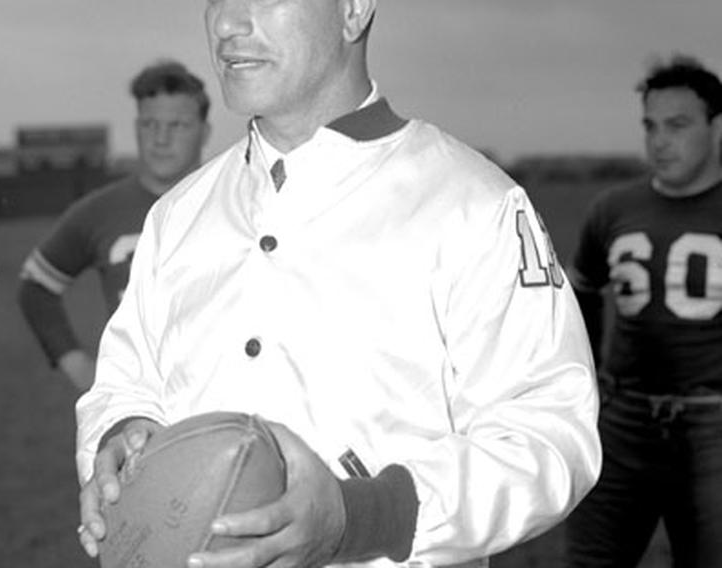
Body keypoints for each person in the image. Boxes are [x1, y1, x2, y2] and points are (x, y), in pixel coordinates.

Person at [76, 1, 601, 567]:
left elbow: (550, 434)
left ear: (353, 11)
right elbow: (125, 384)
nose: (227, 24)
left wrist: (362, 515)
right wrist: (120, 436)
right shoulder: (179, 213)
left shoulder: (475, 205)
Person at [565, 56, 722, 567]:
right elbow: (581, 291)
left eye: (677, 126)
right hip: (625, 422)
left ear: (715, 127)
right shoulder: (613, 209)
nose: (660, 141)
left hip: (713, 425)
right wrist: (589, 383)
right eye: (650, 126)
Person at [18, 60, 211, 391]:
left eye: (177, 125)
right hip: (136, 398)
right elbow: (35, 286)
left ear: (204, 131)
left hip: (220, 394)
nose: (161, 139)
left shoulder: (240, 200)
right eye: (150, 124)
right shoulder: (100, 210)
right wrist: (78, 366)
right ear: (135, 127)